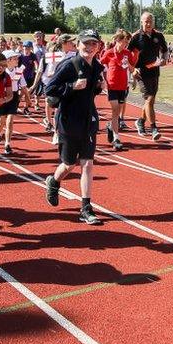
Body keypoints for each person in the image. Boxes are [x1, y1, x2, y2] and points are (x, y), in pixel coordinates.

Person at [43, 30, 106, 226]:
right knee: (69, 165)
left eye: (93, 44)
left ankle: (86, 208)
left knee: (87, 163)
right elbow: (49, 90)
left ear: (98, 46)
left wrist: (98, 86)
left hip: (88, 119)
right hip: (69, 121)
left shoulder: (97, 66)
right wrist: (71, 86)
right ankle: (54, 181)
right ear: (78, 44)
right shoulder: (69, 65)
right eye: (86, 43)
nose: (89, 47)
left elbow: (92, 90)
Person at [129, 11, 169, 140]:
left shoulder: (159, 36)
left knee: (149, 101)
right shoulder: (136, 37)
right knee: (149, 99)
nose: (148, 23)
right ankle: (154, 128)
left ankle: (140, 121)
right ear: (141, 22)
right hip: (141, 73)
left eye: (150, 21)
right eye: (146, 21)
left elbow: (165, 50)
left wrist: (164, 60)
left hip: (155, 71)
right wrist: (133, 69)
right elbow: (127, 55)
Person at [99, 31, 137, 150]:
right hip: (112, 86)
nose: (126, 44)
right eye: (125, 42)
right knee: (115, 110)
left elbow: (131, 68)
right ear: (118, 40)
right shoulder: (109, 53)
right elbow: (100, 65)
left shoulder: (127, 53)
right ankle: (116, 138)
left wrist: (133, 75)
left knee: (118, 111)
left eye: (127, 42)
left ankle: (111, 126)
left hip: (123, 86)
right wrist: (101, 80)